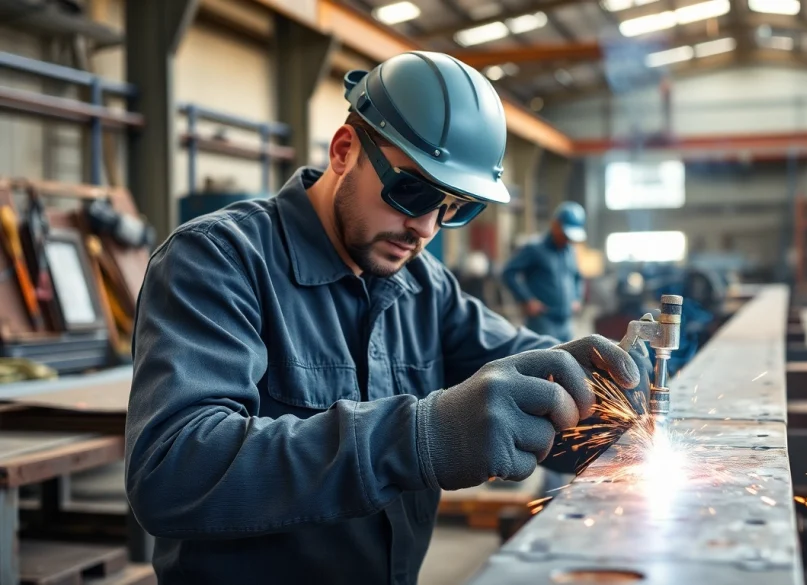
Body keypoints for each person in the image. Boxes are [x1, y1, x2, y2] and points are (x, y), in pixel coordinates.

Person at [124, 52, 649, 585]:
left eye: (453, 207)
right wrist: (417, 437)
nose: (425, 227)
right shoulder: (218, 260)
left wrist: (595, 396)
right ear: (344, 151)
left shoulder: (425, 286)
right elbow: (173, 471)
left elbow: (516, 368)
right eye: (411, 190)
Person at [502, 201, 587, 342]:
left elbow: (578, 276)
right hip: (542, 321)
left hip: (565, 322)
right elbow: (509, 272)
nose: (568, 240)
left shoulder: (570, 252)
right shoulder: (535, 249)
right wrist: (526, 300)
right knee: (545, 361)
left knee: (567, 361)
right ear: (555, 225)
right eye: (566, 235)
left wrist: (577, 297)